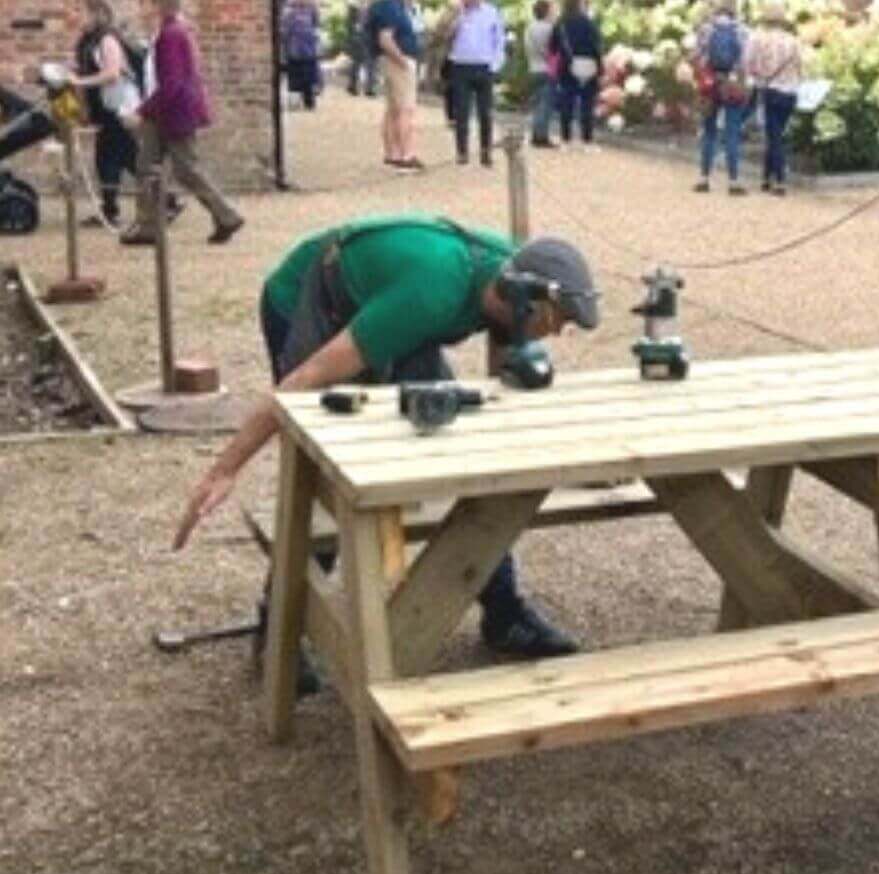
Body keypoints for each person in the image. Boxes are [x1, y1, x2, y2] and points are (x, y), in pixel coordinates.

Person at [173, 215, 603, 665]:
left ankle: (504, 615)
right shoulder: (432, 294)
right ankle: (280, 630)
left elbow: (501, 372)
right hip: (313, 294)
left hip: (395, 302)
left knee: (467, 453)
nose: (557, 333)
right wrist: (224, 470)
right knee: (328, 470)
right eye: (557, 320)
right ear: (525, 301)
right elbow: (304, 380)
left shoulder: (506, 280)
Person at [118, 0, 244, 246]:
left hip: (173, 111)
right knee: (147, 166)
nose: (140, 9)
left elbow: (172, 83)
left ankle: (226, 215)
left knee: (185, 168)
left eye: (144, 4)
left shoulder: (171, 35)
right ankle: (149, 224)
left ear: (157, 6)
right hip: (164, 110)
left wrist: (142, 112)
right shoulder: (167, 32)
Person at [69, 0, 142, 228]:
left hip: (120, 106)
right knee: (113, 157)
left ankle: (165, 200)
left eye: (82, 12)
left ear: (97, 14)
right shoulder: (89, 41)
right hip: (108, 108)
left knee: (123, 157)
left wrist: (80, 81)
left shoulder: (108, 39)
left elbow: (112, 74)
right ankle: (111, 209)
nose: (78, 17)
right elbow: (88, 67)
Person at [744, 1, 801, 196]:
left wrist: (759, 76)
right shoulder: (793, 41)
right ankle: (766, 177)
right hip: (790, 91)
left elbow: (747, 64)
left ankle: (780, 180)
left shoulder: (757, 39)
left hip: (770, 89)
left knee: (774, 136)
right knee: (776, 134)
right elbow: (801, 67)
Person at [693, 0, 750, 195]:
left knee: (709, 131)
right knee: (732, 132)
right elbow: (745, 63)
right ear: (734, 8)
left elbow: (697, 57)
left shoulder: (706, 30)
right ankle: (733, 181)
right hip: (732, 85)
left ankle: (703, 178)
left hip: (710, 84)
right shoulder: (742, 31)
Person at [441, 0, 506, 166]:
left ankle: (486, 151)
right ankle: (462, 151)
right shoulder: (455, 12)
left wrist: (495, 64)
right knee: (461, 111)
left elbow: (499, 39)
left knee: (485, 112)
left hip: (484, 65)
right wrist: (455, 17)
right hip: (460, 64)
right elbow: (442, 36)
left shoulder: (491, 12)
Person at [365, 0, 422, 170]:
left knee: (393, 109)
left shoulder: (389, 6)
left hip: (391, 60)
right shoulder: (390, 7)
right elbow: (385, 38)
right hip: (397, 61)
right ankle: (406, 154)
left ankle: (393, 153)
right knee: (405, 109)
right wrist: (402, 60)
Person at [547, 0, 602, 151]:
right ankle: (587, 141)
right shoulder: (589, 23)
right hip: (589, 66)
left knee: (567, 103)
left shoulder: (561, 24)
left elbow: (552, 47)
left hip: (567, 66)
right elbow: (597, 46)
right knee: (587, 105)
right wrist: (599, 68)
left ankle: (566, 140)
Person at [525, 0, 556, 148]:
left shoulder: (529, 28)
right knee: (545, 104)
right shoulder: (550, 28)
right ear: (546, 12)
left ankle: (535, 133)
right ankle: (541, 136)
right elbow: (553, 50)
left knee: (537, 103)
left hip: (533, 68)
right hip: (547, 70)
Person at [281, 0, 321, 111]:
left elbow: (317, 25)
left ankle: (308, 101)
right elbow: (285, 30)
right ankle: (295, 101)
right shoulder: (289, 9)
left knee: (307, 76)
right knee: (295, 76)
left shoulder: (312, 7)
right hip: (295, 48)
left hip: (307, 48)